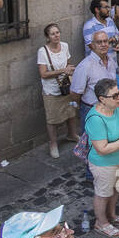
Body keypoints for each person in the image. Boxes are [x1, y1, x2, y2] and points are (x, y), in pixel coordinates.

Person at [35, 22, 77, 158]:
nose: (56, 35)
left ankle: (71, 134)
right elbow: (43, 74)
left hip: (66, 86)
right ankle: (53, 143)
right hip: (52, 90)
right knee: (52, 118)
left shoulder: (65, 46)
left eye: (57, 32)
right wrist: (63, 70)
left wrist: (70, 69)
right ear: (47, 37)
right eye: (52, 34)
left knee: (70, 112)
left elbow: (69, 63)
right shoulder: (43, 51)